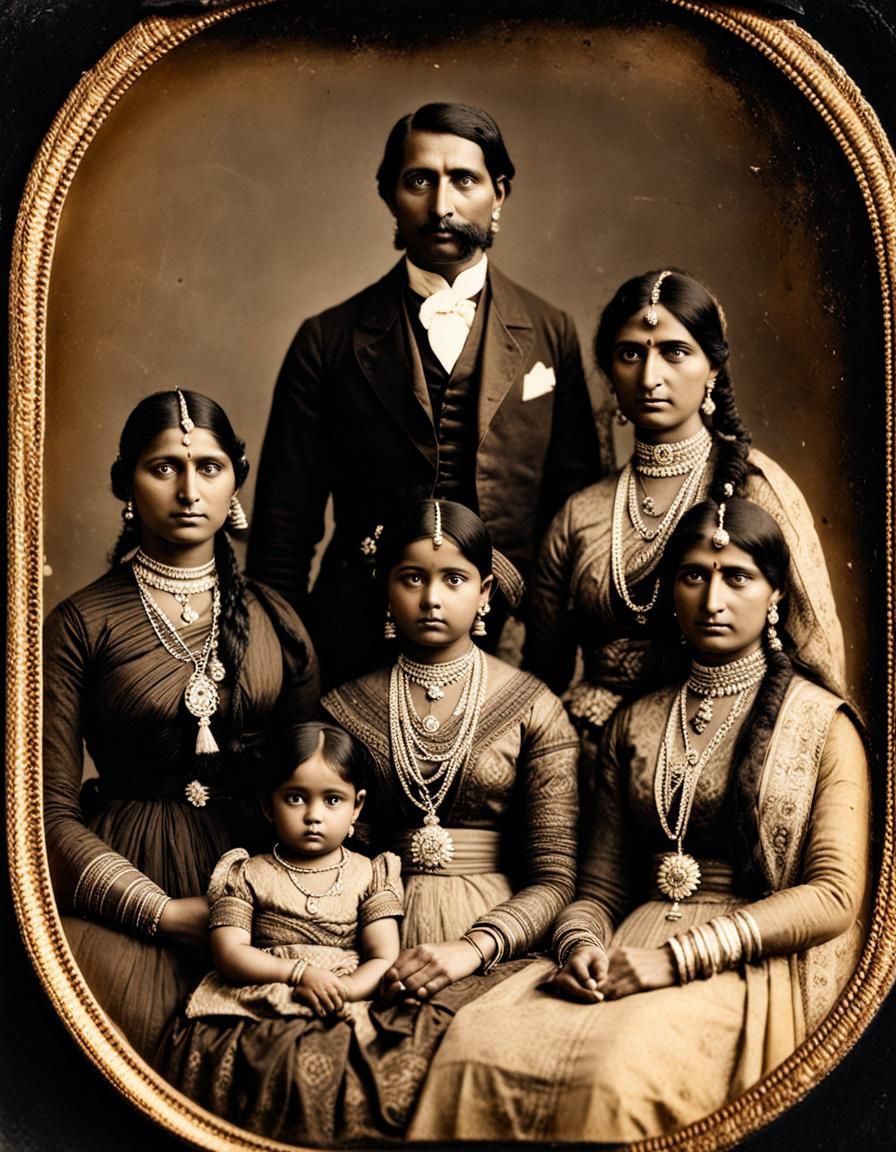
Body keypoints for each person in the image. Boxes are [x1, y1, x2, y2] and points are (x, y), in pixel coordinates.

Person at [409, 498, 869, 1142]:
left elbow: (834, 896)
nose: (713, 598)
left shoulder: (823, 724)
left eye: (737, 576)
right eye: (693, 575)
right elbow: (600, 889)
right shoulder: (641, 719)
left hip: (742, 963)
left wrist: (677, 959)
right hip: (625, 951)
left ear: (775, 596)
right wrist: (583, 947)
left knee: (612, 1077)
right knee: (475, 1049)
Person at [247, 101, 602, 688]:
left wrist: (552, 657)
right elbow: (283, 535)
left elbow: (578, 515)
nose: (442, 206)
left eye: (464, 179)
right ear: (389, 194)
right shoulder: (326, 339)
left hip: (511, 652)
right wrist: (287, 676)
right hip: (356, 643)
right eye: (419, 181)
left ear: (500, 194)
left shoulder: (552, 331)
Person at [42, 390, 319, 1063]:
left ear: (237, 481)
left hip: (262, 881)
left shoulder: (277, 621)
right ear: (126, 486)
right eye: (164, 468)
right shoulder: (82, 623)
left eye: (210, 467)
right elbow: (42, 811)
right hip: (126, 879)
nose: (189, 490)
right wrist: (160, 912)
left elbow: (318, 781)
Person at [524, 269, 845, 787]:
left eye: (675, 351)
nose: (650, 375)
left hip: (724, 758)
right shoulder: (579, 514)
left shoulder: (754, 489)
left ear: (713, 367)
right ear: (609, 369)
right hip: (588, 767)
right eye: (630, 353)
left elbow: (813, 653)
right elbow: (541, 676)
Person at [322, 498, 579, 990]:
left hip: (498, 942)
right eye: (413, 578)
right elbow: (329, 860)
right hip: (372, 938)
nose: (432, 598)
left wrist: (475, 946)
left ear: (484, 593)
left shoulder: (534, 707)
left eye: (454, 580)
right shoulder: (344, 709)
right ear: (385, 586)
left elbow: (555, 879)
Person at [165, 722, 405, 1139]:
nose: (313, 815)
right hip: (263, 990)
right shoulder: (246, 872)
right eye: (295, 798)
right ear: (267, 804)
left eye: (333, 800)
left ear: (357, 806)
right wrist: (298, 974)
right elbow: (230, 952)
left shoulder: (372, 873)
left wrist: (344, 990)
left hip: (345, 993)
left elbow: (384, 956)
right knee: (260, 1060)